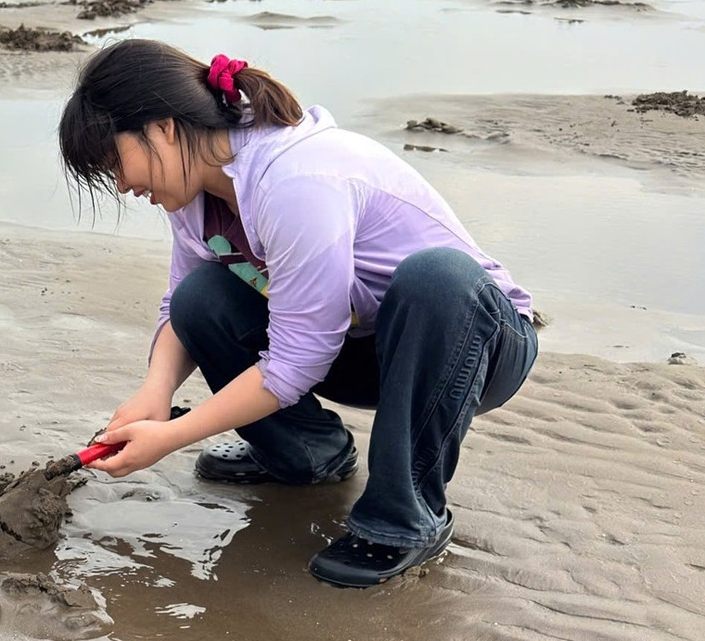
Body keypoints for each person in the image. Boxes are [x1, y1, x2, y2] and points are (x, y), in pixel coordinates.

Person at [56, 40, 537, 588]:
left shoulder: (295, 180)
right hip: (360, 349)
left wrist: (173, 435)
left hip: (470, 349)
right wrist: (155, 393)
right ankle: (308, 455)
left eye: (116, 161)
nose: (121, 185)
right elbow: (181, 302)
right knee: (202, 298)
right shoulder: (193, 191)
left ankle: (404, 518)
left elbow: (296, 362)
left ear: (163, 127)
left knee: (437, 278)